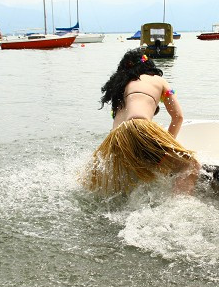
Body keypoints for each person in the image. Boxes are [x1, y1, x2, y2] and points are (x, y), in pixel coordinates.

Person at [85, 48, 200, 194]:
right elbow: (178, 117)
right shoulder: (158, 80)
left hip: (115, 140)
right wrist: (166, 149)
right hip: (138, 127)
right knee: (190, 165)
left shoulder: (121, 86)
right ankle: (179, 207)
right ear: (149, 66)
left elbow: (119, 125)